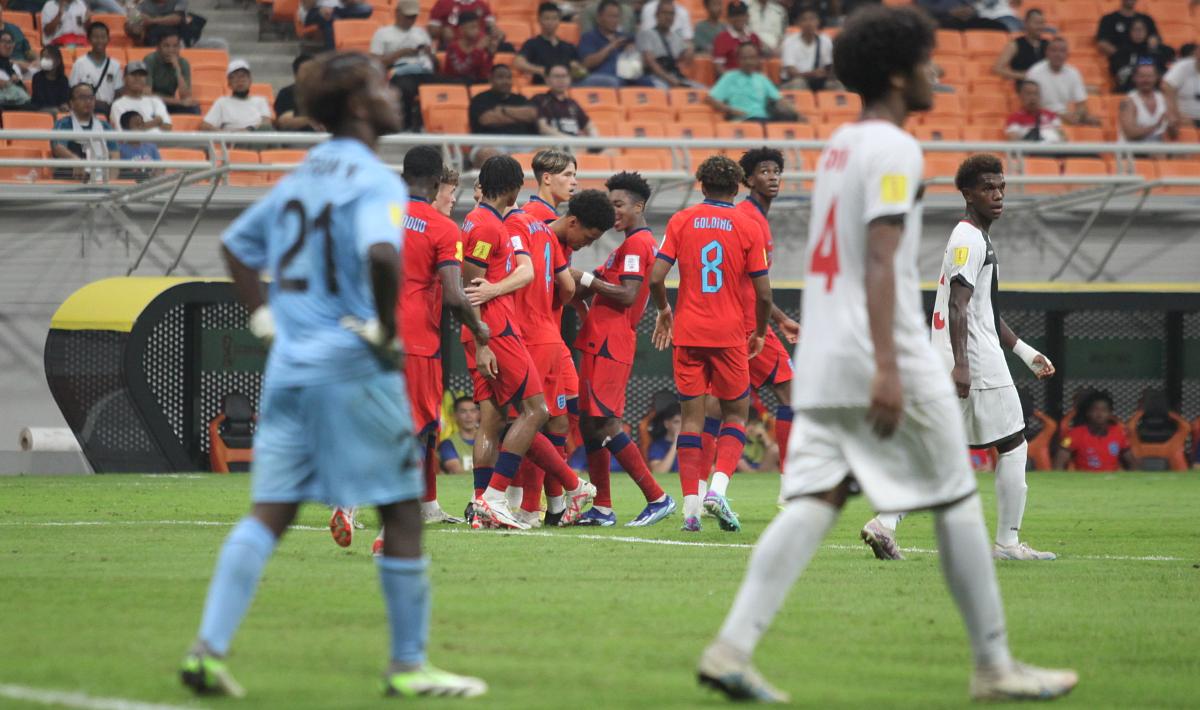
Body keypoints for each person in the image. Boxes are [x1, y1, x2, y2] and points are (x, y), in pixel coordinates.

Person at [695, 6, 1078, 702]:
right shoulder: (896, 150)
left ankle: (730, 648)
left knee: (817, 499)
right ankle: (994, 666)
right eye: (929, 61)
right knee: (958, 497)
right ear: (900, 73)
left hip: (822, 353)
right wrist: (887, 364)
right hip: (876, 347)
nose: (937, 71)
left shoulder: (840, 144)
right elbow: (878, 259)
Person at [177, 51, 487, 701]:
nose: (393, 93)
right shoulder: (375, 181)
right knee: (403, 512)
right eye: (379, 85)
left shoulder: (300, 177)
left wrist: (266, 323)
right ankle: (408, 665)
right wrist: (382, 330)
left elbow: (237, 248)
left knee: (270, 511)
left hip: (290, 368)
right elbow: (381, 253)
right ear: (355, 105)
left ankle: (207, 650)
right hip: (351, 366)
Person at [861, 152, 1059, 562]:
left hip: (960, 356)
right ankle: (1006, 543)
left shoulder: (974, 236)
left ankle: (884, 522)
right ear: (967, 193)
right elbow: (959, 305)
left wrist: (1023, 351)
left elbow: (984, 312)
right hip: (975, 362)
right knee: (1013, 444)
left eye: (1001, 186)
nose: (998, 194)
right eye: (988, 187)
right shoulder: (968, 237)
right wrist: (963, 364)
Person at [357, 146, 492, 549]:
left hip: (370, 331)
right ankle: (389, 526)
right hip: (416, 339)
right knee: (414, 430)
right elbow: (454, 294)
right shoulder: (441, 228)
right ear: (436, 183)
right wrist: (479, 328)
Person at [456, 155, 596, 530]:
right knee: (536, 412)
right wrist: (484, 340)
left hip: (493, 331)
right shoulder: (495, 226)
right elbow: (475, 288)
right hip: (499, 331)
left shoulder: (485, 220)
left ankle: (486, 501)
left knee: (495, 418)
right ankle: (501, 498)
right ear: (517, 187)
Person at [649, 156, 769, 533]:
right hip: (730, 334)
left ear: (702, 185)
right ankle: (718, 489)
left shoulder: (681, 220)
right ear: (737, 189)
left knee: (691, 421)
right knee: (735, 416)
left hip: (688, 333)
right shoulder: (749, 225)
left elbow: (656, 277)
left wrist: (665, 310)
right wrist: (761, 331)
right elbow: (764, 294)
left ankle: (690, 510)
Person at [568, 171, 676, 528]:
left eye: (618, 205)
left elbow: (628, 293)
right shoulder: (625, 246)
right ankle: (602, 508)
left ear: (638, 206)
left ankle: (657, 497)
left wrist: (585, 279)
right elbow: (591, 286)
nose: (612, 212)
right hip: (599, 338)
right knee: (589, 424)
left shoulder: (638, 245)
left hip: (612, 342)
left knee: (605, 422)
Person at [371, 0, 434, 131]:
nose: (411, 20)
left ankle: (429, 124)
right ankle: (407, 125)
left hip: (423, 70)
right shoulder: (383, 33)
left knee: (443, 86)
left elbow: (433, 61)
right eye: (408, 16)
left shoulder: (421, 32)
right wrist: (400, 53)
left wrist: (428, 53)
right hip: (398, 71)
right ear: (397, 13)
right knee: (405, 87)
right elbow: (375, 62)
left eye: (414, 17)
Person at [706, 42, 798, 122]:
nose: (748, 62)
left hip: (764, 119)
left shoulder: (762, 79)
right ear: (738, 59)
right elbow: (710, 99)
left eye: (752, 58)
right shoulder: (729, 77)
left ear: (757, 59)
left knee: (789, 120)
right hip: (742, 120)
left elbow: (780, 99)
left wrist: (798, 115)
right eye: (744, 58)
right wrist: (730, 110)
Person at [467, 64, 537, 166]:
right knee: (488, 155)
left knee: (548, 153)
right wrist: (519, 117)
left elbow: (531, 115)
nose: (505, 81)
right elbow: (487, 119)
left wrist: (503, 110)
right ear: (490, 79)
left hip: (522, 142)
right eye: (500, 77)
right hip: (489, 142)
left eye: (508, 77)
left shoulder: (521, 99)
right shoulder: (480, 99)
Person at [1053, 390, 1138, 471]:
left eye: (1104, 410)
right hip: (1084, 481)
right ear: (1088, 413)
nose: (1099, 414)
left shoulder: (1119, 433)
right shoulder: (1075, 434)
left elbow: (1133, 463)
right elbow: (1059, 463)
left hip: (1111, 481)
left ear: (1110, 414)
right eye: (1095, 410)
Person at [50, 83, 115, 182]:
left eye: (91, 97)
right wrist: (75, 160)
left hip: (102, 183)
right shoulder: (64, 124)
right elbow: (58, 148)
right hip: (70, 182)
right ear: (71, 103)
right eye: (82, 97)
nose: (88, 101)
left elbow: (115, 156)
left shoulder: (105, 126)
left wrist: (111, 183)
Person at [1025, 40, 1099, 126]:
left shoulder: (1073, 72)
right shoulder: (1034, 72)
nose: (1058, 54)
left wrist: (1077, 115)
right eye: (1054, 50)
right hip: (1042, 117)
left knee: (1094, 122)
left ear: (1067, 55)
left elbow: (1081, 104)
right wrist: (1060, 116)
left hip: (1068, 115)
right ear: (1047, 53)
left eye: (1062, 51)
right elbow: (1030, 104)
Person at [516, 2, 586, 85]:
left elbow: (580, 70)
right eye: (547, 18)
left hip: (567, 84)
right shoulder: (532, 44)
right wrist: (542, 70)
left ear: (559, 20)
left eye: (554, 19)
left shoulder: (568, 46)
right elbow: (518, 62)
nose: (550, 22)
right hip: (542, 85)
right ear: (539, 20)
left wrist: (576, 69)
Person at [578, 0, 641, 88]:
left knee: (649, 82)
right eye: (611, 17)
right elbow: (587, 63)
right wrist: (610, 47)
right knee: (614, 82)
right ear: (599, 18)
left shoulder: (625, 37)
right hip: (602, 76)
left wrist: (633, 48)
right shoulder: (589, 37)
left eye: (617, 17)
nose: (615, 21)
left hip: (627, 76)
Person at [200, 60, 273, 132]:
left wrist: (249, 130)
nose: (239, 81)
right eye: (234, 77)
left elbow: (266, 122)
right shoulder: (222, 102)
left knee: (268, 129)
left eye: (243, 76)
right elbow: (205, 126)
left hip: (258, 136)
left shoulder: (261, 100)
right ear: (229, 83)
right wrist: (228, 134)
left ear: (250, 80)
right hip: (236, 140)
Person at [637, 1, 696, 89]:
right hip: (655, 78)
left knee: (702, 90)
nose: (668, 17)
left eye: (671, 14)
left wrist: (690, 49)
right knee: (665, 91)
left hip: (675, 76)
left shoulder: (677, 36)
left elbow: (686, 59)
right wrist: (670, 80)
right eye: (664, 13)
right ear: (657, 15)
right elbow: (651, 63)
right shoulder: (646, 34)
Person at [70, 21, 122, 115]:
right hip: (84, 111)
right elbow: (73, 90)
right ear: (89, 39)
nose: (99, 41)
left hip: (108, 111)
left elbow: (118, 92)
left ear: (108, 39)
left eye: (103, 37)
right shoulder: (79, 63)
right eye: (95, 37)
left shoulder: (115, 65)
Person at [1109, 18, 1173, 94]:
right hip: (1129, 89)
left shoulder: (1153, 51)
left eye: (1141, 30)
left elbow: (1169, 56)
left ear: (1146, 32)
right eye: (1135, 30)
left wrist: (1155, 48)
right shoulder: (1121, 52)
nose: (1138, 33)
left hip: (1154, 89)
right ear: (1130, 32)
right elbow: (1120, 74)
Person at [535, 63, 598, 138]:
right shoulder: (540, 100)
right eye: (557, 76)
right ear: (547, 79)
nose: (561, 80)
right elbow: (543, 128)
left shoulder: (573, 103)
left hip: (576, 145)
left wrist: (594, 139)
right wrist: (568, 140)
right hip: (554, 145)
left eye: (564, 76)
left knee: (610, 150)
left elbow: (589, 126)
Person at [144, 31, 199, 114]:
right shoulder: (150, 60)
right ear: (158, 47)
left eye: (175, 46)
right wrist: (179, 102)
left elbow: (186, 96)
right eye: (166, 46)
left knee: (193, 108)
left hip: (170, 104)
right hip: (152, 104)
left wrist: (177, 69)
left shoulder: (183, 63)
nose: (171, 50)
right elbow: (147, 94)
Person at [780, 6, 833, 90]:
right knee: (799, 83)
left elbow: (829, 68)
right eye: (804, 20)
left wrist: (825, 73)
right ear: (798, 23)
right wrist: (812, 74)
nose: (809, 23)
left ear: (818, 21)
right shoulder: (789, 41)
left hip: (818, 82)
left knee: (835, 85)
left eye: (812, 19)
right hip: (793, 81)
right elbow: (791, 72)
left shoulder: (825, 40)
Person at [111, 61, 173, 131]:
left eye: (142, 75)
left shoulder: (156, 101)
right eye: (133, 74)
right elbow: (127, 133)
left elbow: (168, 128)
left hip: (161, 141)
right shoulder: (118, 105)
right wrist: (156, 122)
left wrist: (141, 126)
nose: (138, 78)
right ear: (124, 78)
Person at [1119, 62, 1173, 142]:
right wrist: (1156, 126)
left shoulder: (1164, 99)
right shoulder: (1128, 102)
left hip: (1159, 145)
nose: (1146, 80)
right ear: (1134, 78)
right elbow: (1130, 133)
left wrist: (1172, 124)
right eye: (1142, 76)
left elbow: (1173, 133)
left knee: (1185, 152)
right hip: (1133, 148)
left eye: (1150, 76)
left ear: (1156, 78)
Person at [992, 8, 1048, 84]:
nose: (1040, 27)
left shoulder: (1048, 44)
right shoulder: (1015, 44)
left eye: (1042, 23)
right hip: (1025, 86)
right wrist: (1022, 75)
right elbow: (997, 69)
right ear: (1026, 23)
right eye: (1036, 23)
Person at [442, 10, 497, 83]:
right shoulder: (452, 47)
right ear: (461, 29)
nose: (477, 31)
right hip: (454, 84)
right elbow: (461, 71)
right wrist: (477, 50)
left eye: (478, 27)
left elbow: (483, 75)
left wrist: (490, 56)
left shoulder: (478, 48)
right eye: (472, 27)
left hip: (474, 85)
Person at [1096, 0, 1161, 59]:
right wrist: (1122, 56)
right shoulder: (1109, 19)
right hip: (1121, 62)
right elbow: (1102, 43)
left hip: (1145, 61)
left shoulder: (1147, 19)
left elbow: (1155, 39)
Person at [301, 0, 374, 51]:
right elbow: (307, 6)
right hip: (315, 11)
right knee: (332, 19)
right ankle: (332, 55)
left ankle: (334, 11)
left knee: (366, 8)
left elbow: (358, 2)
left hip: (340, 10)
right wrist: (322, 9)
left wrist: (350, 1)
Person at [126, 0, 203, 48]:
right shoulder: (142, 4)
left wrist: (152, 20)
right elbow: (132, 20)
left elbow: (177, 18)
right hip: (152, 39)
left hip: (175, 36)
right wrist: (137, 20)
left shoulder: (179, 1)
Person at [712, 1, 761, 76]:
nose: (739, 18)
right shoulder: (721, 38)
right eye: (735, 15)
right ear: (728, 18)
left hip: (752, 81)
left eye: (742, 15)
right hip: (730, 82)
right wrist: (734, 80)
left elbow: (758, 64)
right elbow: (718, 67)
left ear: (747, 16)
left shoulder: (754, 37)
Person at [426, 0, 499, 49]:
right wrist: (442, 31)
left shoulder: (481, 4)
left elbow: (492, 27)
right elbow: (432, 32)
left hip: (480, 46)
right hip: (451, 46)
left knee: (506, 47)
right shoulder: (443, 3)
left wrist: (496, 33)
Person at [274, 54, 320, 131]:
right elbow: (284, 121)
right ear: (295, 75)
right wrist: (313, 120)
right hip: (297, 137)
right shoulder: (286, 93)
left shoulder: (325, 92)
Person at [438, 396, 480, 475]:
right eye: (463, 411)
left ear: (479, 414)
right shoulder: (448, 444)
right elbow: (456, 471)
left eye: (473, 411)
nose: (469, 416)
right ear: (455, 415)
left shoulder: (490, 441)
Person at [116, 111, 163, 181]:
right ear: (125, 129)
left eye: (142, 124)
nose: (141, 128)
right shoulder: (120, 150)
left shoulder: (152, 147)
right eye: (137, 125)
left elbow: (160, 169)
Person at [917, 0, 1008, 32]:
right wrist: (949, 12)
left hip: (968, 20)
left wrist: (970, 11)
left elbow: (976, 5)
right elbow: (923, 7)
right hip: (943, 20)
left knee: (999, 26)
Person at [1163, 50, 1200, 128]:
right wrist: (1175, 113)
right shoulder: (1183, 67)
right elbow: (1167, 86)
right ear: (1196, 54)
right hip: (1184, 122)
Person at [30, 46, 70, 112]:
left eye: (47, 57)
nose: (44, 60)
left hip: (59, 111)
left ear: (58, 61)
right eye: (42, 57)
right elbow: (39, 100)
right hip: (40, 110)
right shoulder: (37, 77)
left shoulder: (63, 79)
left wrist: (64, 105)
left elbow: (64, 99)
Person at [647, 403, 681, 475]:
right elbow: (659, 471)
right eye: (676, 422)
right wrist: (676, 443)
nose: (681, 426)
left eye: (684, 422)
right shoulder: (657, 446)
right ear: (666, 424)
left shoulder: (692, 443)